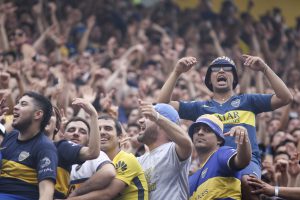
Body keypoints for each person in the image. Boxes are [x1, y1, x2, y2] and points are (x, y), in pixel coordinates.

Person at [157, 55, 293, 199]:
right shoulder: (200, 107)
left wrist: (265, 69)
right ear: (209, 79)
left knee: (249, 183)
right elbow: (162, 106)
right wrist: (176, 72)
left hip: (246, 159)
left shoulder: (248, 101)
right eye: (216, 69)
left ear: (234, 79)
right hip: (211, 162)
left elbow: (285, 97)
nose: (221, 71)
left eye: (227, 69)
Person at [67, 115, 148, 200]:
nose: (102, 132)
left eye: (108, 128)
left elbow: (107, 194)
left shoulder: (127, 159)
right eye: (98, 129)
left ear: (120, 137)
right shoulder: (92, 164)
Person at [0, 91, 58, 200]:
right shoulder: (9, 136)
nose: (16, 107)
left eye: (23, 104)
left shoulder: (45, 146)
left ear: (37, 114)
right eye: (17, 103)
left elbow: (46, 191)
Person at [44, 98, 101, 198]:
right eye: (71, 130)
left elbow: (93, 152)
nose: (76, 133)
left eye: (82, 132)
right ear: (62, 133)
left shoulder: (62, 147)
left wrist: (93, 115)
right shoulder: (22, 142)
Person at [137, 101, 193, 200]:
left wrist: (157, 117)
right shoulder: (140, 160)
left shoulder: (172, 151)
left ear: (162, 124)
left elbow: (187, 144)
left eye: (147, 117)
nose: (140, 121)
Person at [188, 114, 251, 199]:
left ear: (219, 140)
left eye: (207, 130)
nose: (200, 132)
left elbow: (243, 161)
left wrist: (243, 139)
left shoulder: (221, 153)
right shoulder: (190, 179)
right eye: (196, 130)